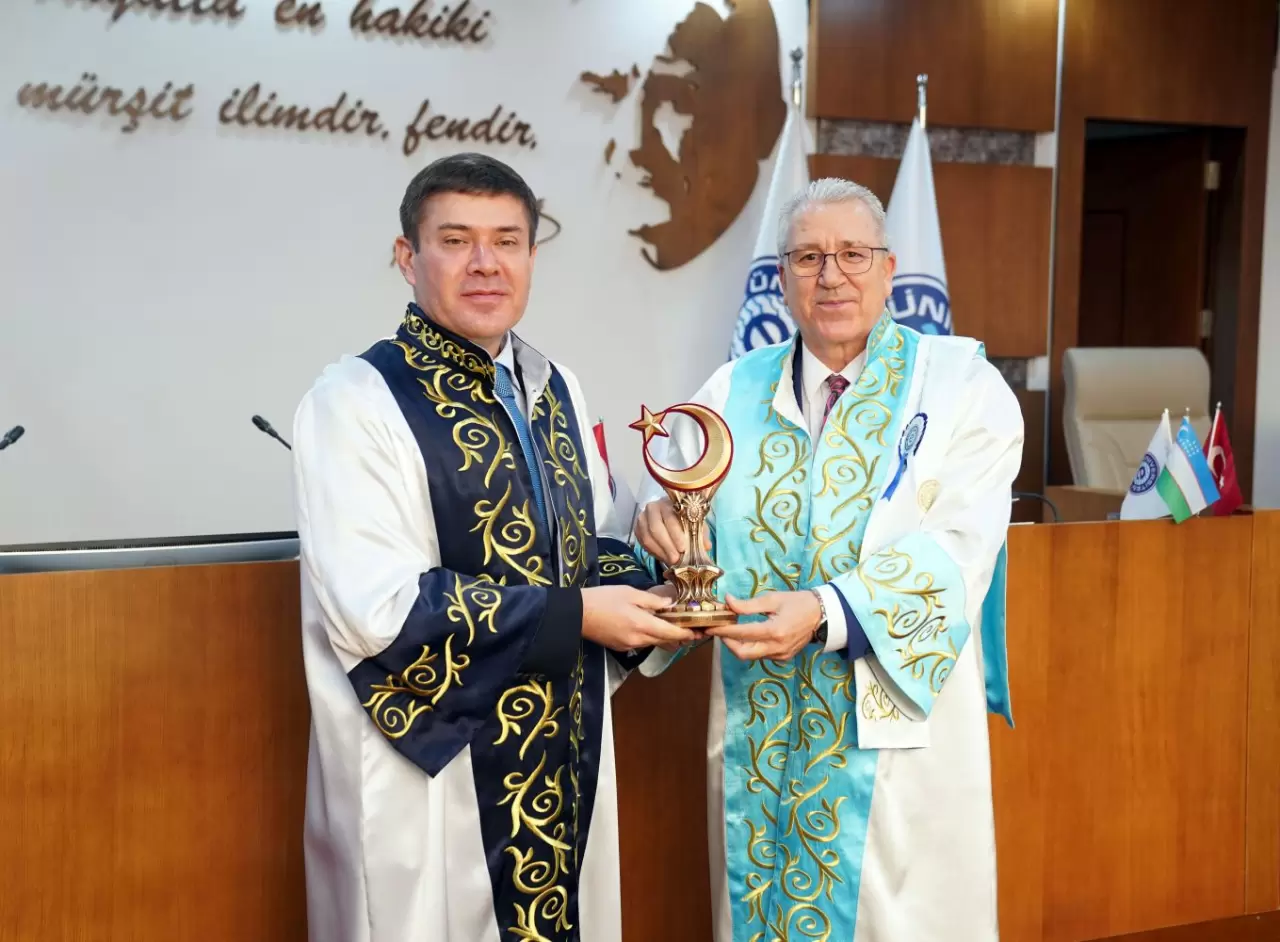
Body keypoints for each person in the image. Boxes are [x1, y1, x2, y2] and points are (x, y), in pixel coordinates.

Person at [292, 152, 694, 942]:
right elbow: (376, 608)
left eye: (507, 241)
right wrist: (580, 615)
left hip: (561, 751)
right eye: (456, 240)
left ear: (532, 255)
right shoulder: (355, 401)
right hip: (429, 777)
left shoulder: (556, 386)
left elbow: (588, 548)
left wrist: (662, 576)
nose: (486, 263)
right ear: (407, 256)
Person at [633, 177, 1023, 942]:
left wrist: (823, 611)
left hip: (892, 739)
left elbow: (959, 552)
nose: (831, 276)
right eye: (809, 257)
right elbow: (678, 510)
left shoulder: (961, 388)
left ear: (890, 268)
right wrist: (658, 526)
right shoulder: (729, 391)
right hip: (760, 727)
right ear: (781, 278)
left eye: (853, 254)